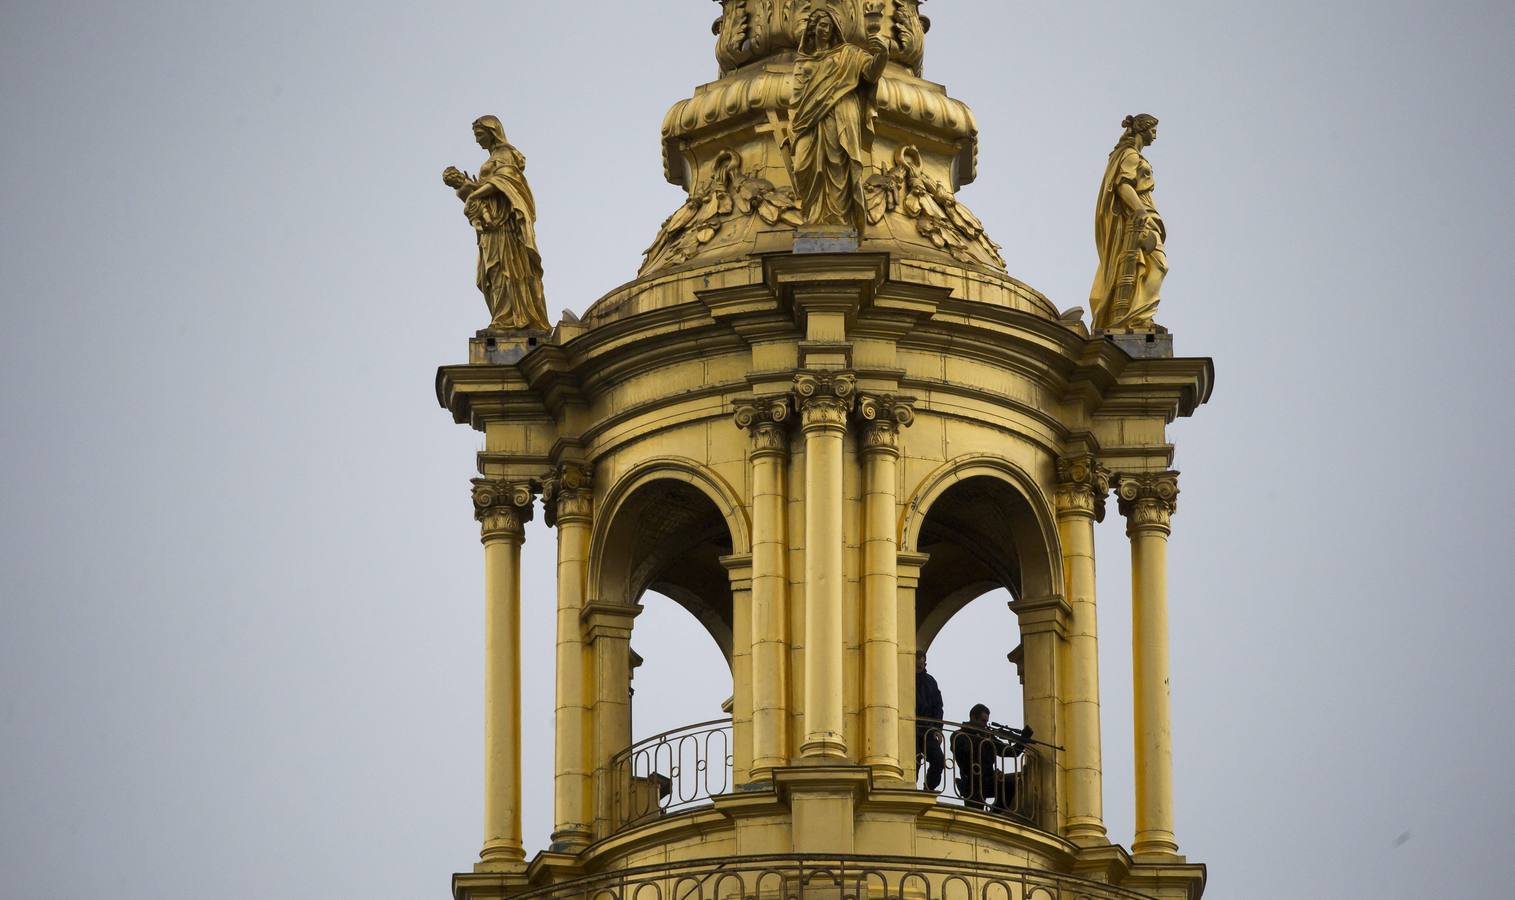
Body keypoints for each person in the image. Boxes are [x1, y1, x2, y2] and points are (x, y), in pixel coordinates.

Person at [442, 116, 551, 332]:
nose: (477, 141)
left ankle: (510, 319)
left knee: (506, 268)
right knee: (492, 272)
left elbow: (505, 180)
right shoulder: (494, 157)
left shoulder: (504, 154)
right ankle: (503, 317)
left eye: (479, 135)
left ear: (492, 132)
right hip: (491, 228)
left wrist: (475, 195)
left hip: (505, 226)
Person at [788, 9, 889, 232]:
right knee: (803, 166)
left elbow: (870, 74)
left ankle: (837, 219)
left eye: (825, 24)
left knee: (837, 164)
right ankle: (813, 214)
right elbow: (796, 99)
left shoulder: (849, 54)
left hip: (840, 112)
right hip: (808, 121)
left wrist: (882, 54)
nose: (821, 29)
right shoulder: (803, 62)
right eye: (817, 25)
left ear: (833, 28)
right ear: (811, 30)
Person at [1089, 113, 1167, 331]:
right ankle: (1136, 318)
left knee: (1147, 266)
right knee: (1158, 266)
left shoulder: (1130, 155)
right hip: (1140, 217)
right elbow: (1123, 185)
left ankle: (1139, 316)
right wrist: (1140, 211)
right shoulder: (1130, 156)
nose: (1155, 136)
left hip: (1144, 216)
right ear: (1142, 130)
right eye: (1153, 131)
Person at [951, 703, 1024, 813]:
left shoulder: (987, 736)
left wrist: (1022, 741)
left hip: (988, 780)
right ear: (972, 717)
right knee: (975, 818)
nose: (985, 725)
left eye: (986, 721)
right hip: (972, 783)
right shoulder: (959, 735)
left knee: (1010, 786)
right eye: (982, 721)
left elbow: (1009, 752)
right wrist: (982, 739)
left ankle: (994, 815)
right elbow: (965, 755)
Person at [915, 651, 945, 791]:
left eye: (921, 665)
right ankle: (910, 789)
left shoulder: (930, 681)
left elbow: (938, 706)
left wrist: (938, 729)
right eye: (916, 665)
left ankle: (929, 788)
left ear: (924, 664)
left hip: (928, 730)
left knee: (938, 760)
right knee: (914, 762)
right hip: (910, 729)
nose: (919, 667)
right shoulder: (904, 678)